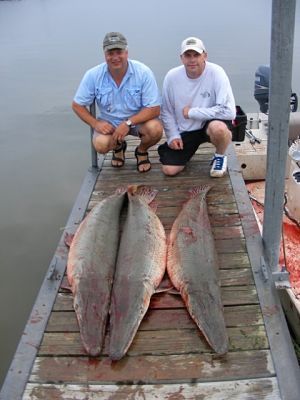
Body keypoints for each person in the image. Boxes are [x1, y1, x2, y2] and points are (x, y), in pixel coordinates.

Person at [72, 32, 163, 172]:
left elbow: (154, 109)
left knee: (156, 130)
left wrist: (128, 123)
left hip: (137, 122)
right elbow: (77, 105)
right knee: (100, 145)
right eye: (110, 53)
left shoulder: (143, 72)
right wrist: (96, 123)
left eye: (119, 52)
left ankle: (142, 151)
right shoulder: (93, 75)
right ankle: (118, 147)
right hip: (110, 124)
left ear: (126, 52)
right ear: (104, 54)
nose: (115, 57)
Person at [158, 36, 236, 178]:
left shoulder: (217, 72)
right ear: (181, 58)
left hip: (210, 123)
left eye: (196, 55)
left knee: (219, 129)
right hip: (187, 129)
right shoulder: (171, 77)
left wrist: (193, 112)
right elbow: (167, 111)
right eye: (188, 55)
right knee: (169, 170)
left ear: (204, 56)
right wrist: (172, 135)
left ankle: (219, 156)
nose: (192, 60)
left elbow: (229, 112)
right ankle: (184, 153)